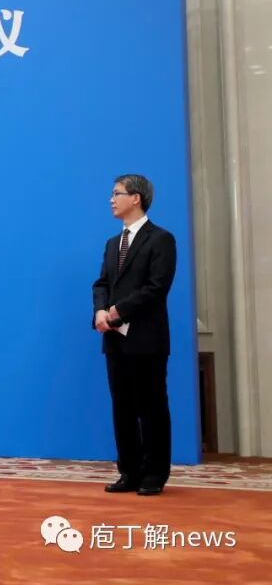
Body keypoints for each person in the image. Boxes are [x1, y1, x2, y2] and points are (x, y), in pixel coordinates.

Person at [92, 174, 176, 496]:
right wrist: (101, 311)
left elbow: (156, 288)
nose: (111, 199)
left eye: (117, 193)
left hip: (146, 338)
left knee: (151, 407)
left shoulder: (161, 239)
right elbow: (102, 284)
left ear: (136, 198)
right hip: (114, 339)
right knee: (122, 408)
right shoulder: (113, 244)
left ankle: (155, 474)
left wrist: (118, 311)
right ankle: (130, 471)